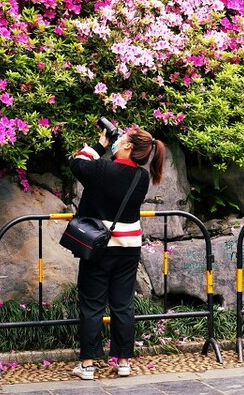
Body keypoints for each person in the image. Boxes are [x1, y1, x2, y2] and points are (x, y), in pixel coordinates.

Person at [69, 125, 166, 380]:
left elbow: (78, 164)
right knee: (123, 305)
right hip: (129, 248)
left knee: (92, 305)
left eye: (121, 138)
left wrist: (100, 145)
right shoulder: (142, 178)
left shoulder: (102, 169)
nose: (118, 139)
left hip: (99, 247)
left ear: (128, 147)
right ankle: (123, 362)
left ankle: (88, 365)